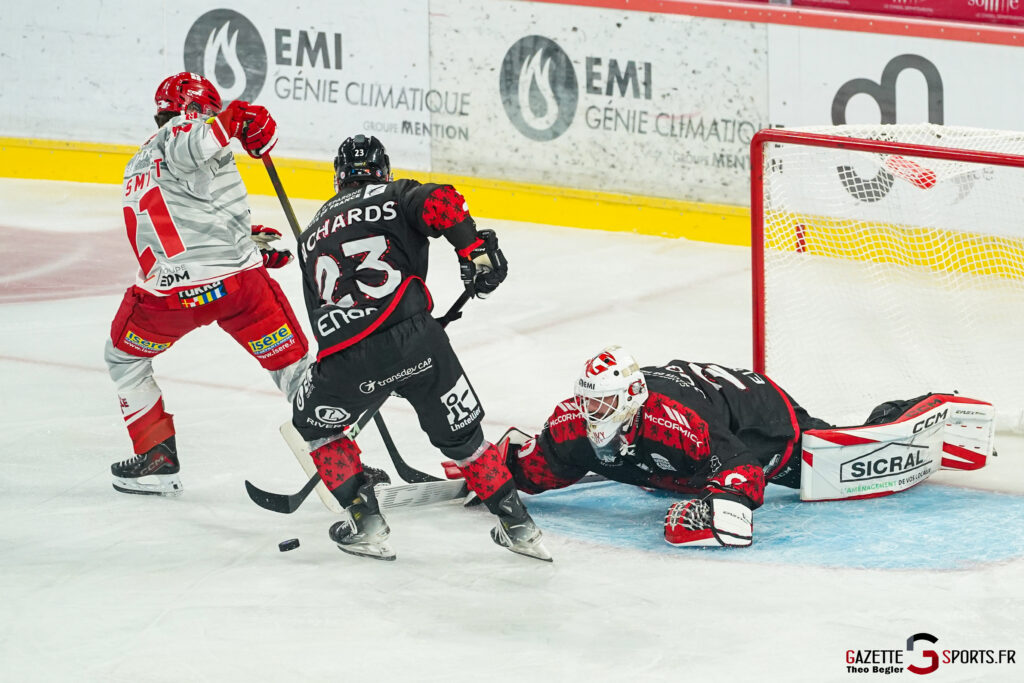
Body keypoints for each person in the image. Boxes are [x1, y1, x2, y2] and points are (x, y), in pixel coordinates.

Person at [288, 133, 549, 562]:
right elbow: (444, 202)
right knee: (465, 439)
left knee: (316, 428)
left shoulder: (311, 233)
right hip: (419, 341)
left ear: (338, 178)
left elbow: (325, 309)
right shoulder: (395, 193)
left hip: (346, 355)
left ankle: (365, 523)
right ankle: (520, 527)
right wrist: (474, 252)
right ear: (383, 171)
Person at [469, 345, 993, 548]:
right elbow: (541, 466)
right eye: (588, 403)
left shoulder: (676, 424)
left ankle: (922, 407)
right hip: (698, 420)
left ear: (630, 399)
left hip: (759, 418)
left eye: (604, 405)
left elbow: (743, 475)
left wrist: (716, 509)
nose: (592, 416)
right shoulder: (573, 423)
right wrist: (494, 469)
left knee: (833, 462)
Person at [106, 72, 312, 496]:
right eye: (208, 113)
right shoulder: (188, 130)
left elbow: (177, 224)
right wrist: (235, 118)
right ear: (195, 110)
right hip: (239, 289)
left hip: (169, 299)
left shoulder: (137, 161)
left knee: (124, 358)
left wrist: (245, 239)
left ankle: (156, 456)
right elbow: (192, 141)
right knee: (293, 368)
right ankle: (339, 462)